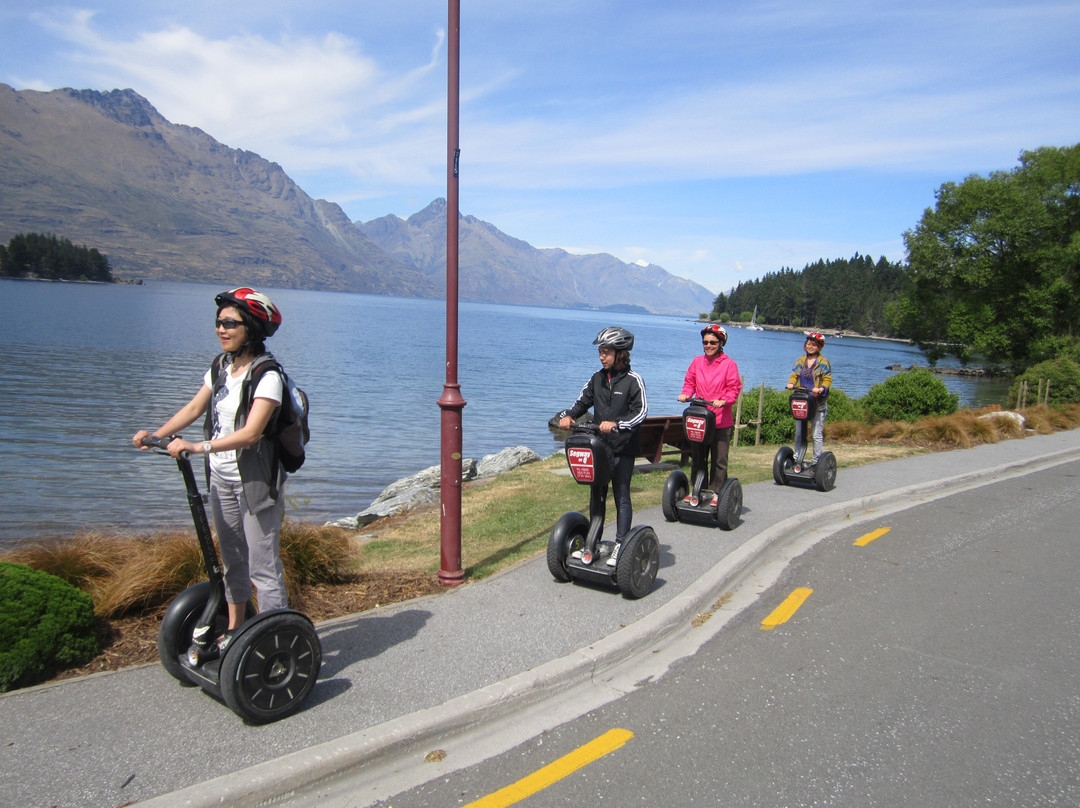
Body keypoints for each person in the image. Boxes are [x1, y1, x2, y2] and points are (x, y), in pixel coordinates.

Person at [132, 287, 287, 653]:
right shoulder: (221, 367)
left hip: (255, 483)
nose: (221, 329)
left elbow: (250, 434)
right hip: (220, 479)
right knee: (232, 560)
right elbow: (193, 409)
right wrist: (157, 434)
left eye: (230, 323)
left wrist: (195, 446)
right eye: (219, 322)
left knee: (262, 567)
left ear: (251, 328)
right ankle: (236, 629)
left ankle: (275, 639)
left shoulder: (268, 376)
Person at [557, 326, 648, 546]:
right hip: (599, 448)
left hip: (623, 449)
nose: (601, 357)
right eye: (600, 352)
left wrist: (618, 424)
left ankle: (621, 544)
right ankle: (593, 543)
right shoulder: (597, 379)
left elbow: (641, 412)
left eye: (606, 352)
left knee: (621, 496)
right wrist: (568, 416)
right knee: (597, 495)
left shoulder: (633, 380)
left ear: (621, 353)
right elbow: (582, 402)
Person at [678, 324, 742, 504]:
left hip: (721, 420)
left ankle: (716, 492)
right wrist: (686, 394)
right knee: (698, 457)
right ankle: (697, 489)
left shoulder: (729, 364)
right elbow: (690, 382)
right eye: (705, 342)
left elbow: (734, 388)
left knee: (719, 460)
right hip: (700, 419)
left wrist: (725, 400)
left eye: (713, 342)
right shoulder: (697, 362)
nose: (708, 345)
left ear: (721, 343)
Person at [786, 331, 832, 468]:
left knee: (816, 434)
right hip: (803, 401)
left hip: (817, 403)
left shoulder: (823, 362)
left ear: (819, 347)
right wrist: (791, 383)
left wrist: (822, 388)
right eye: (808, 344)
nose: (810, 346)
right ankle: (796, 459)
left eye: (814, 345)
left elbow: (827, 378)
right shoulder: (801, 360)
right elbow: (794, 374)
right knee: (799, 433)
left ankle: (817, 462)